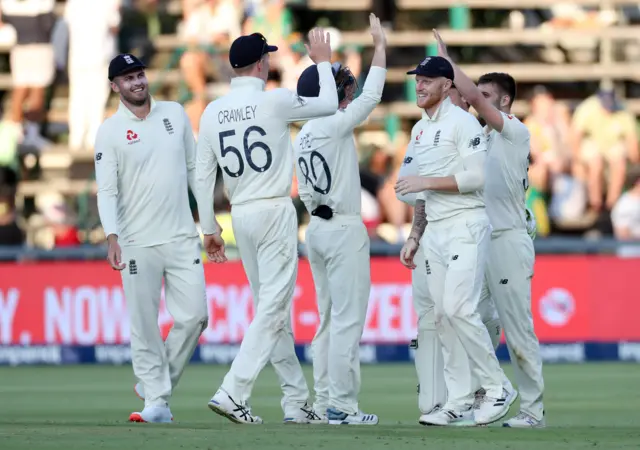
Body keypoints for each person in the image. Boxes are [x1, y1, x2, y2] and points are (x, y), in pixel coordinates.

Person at [195, 29, 338, 425]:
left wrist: (209, 227)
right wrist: (322, 60)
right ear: (262, 63)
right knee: (274, 309)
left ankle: (295, 401)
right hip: (274, 210)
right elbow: (329, 103)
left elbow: (202, 177)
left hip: (239, 213)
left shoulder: (211, 112)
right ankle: (233, 390)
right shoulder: (273, 100)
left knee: (270, 311)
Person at [394, 55, 517, 427]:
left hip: (466, 225)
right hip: (436, 232)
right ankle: (459, 399)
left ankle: (497, 387)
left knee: (460, 309)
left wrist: (425, 184)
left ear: (448, 86)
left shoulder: (463, 123)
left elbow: (476, 179)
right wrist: (415, 234)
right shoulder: (419, 129)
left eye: (428, 80)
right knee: (444, 316)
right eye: (418, 79)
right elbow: (420, 190)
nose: (420, 85)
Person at [434, 29, 545, 428]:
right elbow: (457, 103)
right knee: (469, 320)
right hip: (478, 237)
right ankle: (483, 397)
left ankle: (533, 411)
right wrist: (444, 79)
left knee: (517, 328)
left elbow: (473, 99)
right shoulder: (478, 134)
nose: (475, 98)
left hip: (507, 239)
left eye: (485, 95)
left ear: (505, 100)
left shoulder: (514, 131)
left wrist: (447, 62)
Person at [94, 53, 210, 424]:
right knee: (144, 324)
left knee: (195, 317)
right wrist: (112, 235)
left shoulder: (174, 113)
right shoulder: (109, 131)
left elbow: (195, 170)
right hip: (136, 242)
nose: (137, 82)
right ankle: (156, 402)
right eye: (128, 78)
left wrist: (209, 223)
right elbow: (106, 191)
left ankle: (153, 384)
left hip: (180, 236)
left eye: (140, 74)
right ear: (115, 86)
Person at [294, 13, 386, 426]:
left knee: (328, 322)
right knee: (346, 322)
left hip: (317, 229)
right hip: (345, 229)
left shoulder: (304, 134)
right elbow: (372, 96)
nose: (347, 87)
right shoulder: (333, 124)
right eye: (338, 82)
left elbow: (309, 194)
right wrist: (380, 48)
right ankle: (342, 406)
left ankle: (324, 400)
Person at [64, 0, 121, 152]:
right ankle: (92, 139)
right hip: (99, 56)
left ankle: (75, 138)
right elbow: (114, 25)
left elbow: (67, 23)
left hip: (78, 56)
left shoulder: (73, 3)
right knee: (96, 99)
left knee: (78, 98)